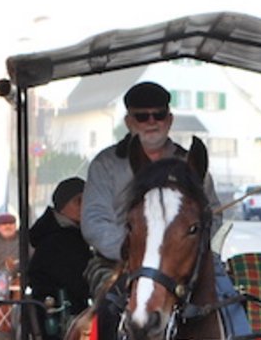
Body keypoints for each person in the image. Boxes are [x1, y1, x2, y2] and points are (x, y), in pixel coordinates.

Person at [81, 81, 221, 296]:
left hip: (182, 264)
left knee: (224, 297)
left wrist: (184, 250)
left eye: (159, 115)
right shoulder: (105, 165)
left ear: (170, 119)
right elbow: (94, 221)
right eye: (142, 116)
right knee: (109, 303)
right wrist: (136, 249)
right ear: (129, 121)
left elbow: (213, 215)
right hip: (118, 262)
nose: (152, 122)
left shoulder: (190, 164)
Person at [27, 177, 92, 340]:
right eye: (78, 201)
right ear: (64, 205)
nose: (84, 207)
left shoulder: (69, 235)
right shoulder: (59, 240)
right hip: (59, 320)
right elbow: (79, 281)